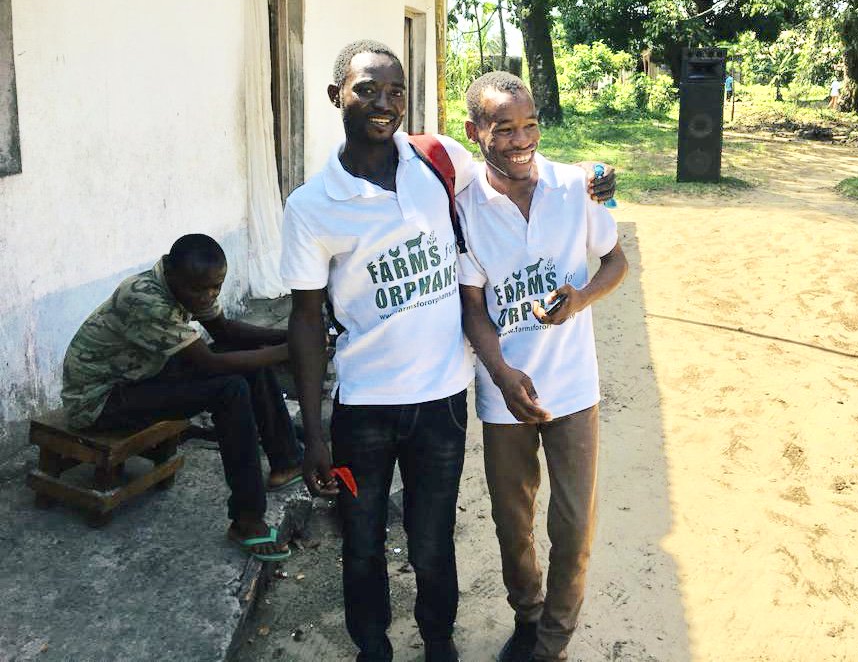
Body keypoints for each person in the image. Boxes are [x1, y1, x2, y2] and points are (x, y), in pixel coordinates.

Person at [281, 40, 615, 662]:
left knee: (434, 540)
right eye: (366, 91)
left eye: (395, 91)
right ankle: (372, 647)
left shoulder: (436, 161)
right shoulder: (310, 206)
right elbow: (304, 321)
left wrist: (590, 177)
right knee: (362, 538)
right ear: (336, 98)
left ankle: (440, 644)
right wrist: (314, 431)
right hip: (364, 404)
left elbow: (517, 157)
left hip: (441, 400)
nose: (384, 104)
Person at [456, 72, 628, 662]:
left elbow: (614, 261)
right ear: (474, 131)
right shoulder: (464, 208)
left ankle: (552, 641)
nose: (521, 139)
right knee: (513, 523)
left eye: (530, 125)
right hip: (504, 392)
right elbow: (472, 307)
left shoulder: (572, 186)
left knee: (573, 525)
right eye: (504, 128)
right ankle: (527, 616)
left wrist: (580, 299)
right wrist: (503, 375)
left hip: (574, 386)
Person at [61, 234, 303, 561]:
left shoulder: (190, 282)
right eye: (200, 290)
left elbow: (225, 332)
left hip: (141, 375)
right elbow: (210, 362)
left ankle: (286, 462)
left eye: (216, 287)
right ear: (171, 273)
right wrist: (288, 351)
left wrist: (289, 336)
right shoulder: (144, 298)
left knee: (246, 359)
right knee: (230, 389)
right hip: (100, 400)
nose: (208, 296)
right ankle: (246, 520)